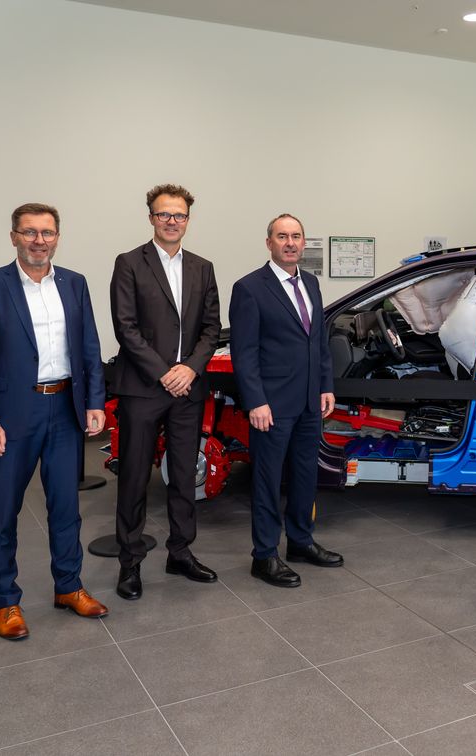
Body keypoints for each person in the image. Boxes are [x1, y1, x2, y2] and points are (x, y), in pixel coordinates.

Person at [0, 203, 108, 640]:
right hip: (13, 415)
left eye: (47, 232)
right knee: (3, 511)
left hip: (65, 409)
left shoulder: (74, 283)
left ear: (57, 237)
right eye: (29, 232)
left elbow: (89, 347)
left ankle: (69, 586)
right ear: (14, 237)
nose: (39, 240)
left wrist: (95, 401)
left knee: (65, 507)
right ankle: (4, 600)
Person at [110, 184, 221, 600]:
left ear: (188, 219)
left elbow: (211, 328)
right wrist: (164, 373)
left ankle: (181, 552)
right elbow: (126, 328)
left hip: (188, 389)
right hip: (143, 388)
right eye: (164, 214)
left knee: (183, 476)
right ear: (151, 218)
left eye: (179, 215)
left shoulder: (203, 267)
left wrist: (189, 368)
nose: (172, 221)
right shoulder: (128, 263)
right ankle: (130, 563)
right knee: (135, 477)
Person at [229, 214, 341, 587]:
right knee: (267, 480)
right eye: (282, 236)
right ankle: (264, 556)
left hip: (309, 401)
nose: (290, 243)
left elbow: (318, 341)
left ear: (303, 242)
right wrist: (255, 401)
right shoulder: (249, 288)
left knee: (306, 475)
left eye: (296, 236)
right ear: (269, 243)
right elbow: (244, 352)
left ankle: (300, 541)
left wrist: (325, 385)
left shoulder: (311, 282)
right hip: (271, 406)